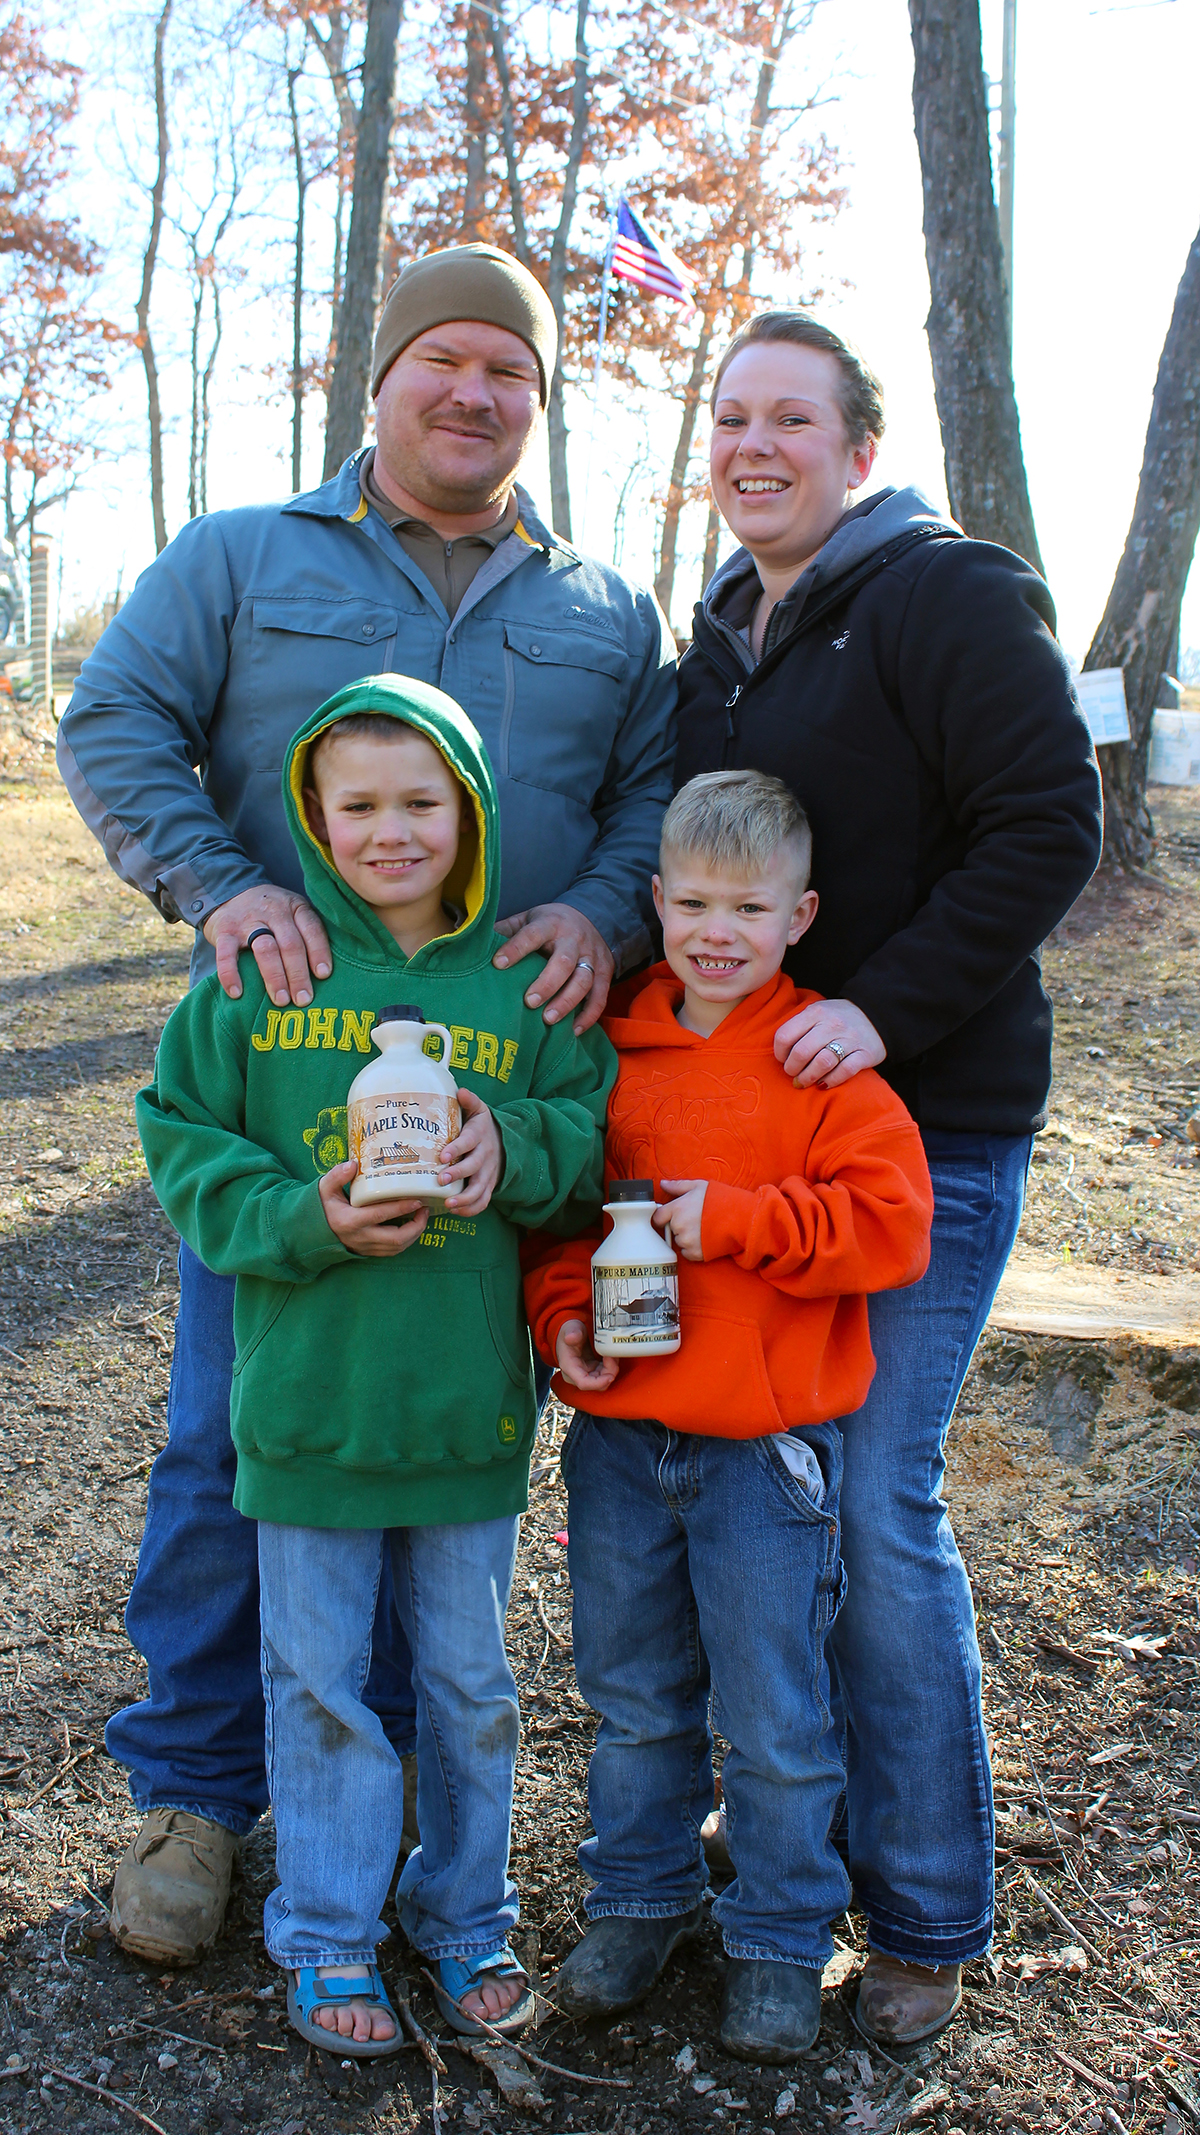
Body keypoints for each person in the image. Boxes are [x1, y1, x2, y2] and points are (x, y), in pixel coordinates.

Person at [56, 242, 675, 1966]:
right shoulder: (246, 557)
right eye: (446, 361)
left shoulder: (603, 609)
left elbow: (652, 796)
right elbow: (114, 721)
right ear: (384, 378)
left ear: (538, 402)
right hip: (285, 1090)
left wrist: (603, 910)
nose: (475, 394)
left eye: (512, 373)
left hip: (493, 1090)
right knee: (224, 1440)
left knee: (433, 1456)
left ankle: (386, 1812)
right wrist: (215, 885)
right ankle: (191, 1795)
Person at [675, 312, 1103, 2047]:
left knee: (874, 1490)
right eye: (732, 419)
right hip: (766, 1143)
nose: (755, 445)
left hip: (930, 1129)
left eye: (793, 418)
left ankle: (926, 1909)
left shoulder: (939, 591)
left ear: (860, 448)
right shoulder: (725, 633)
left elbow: (1049, 820)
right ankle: (794, 1828)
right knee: (772, 1495)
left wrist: (880, 1008)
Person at [137, 673, 615, 2052]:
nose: (390, 832)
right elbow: (183, 1142)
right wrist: (307, 1216)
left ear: (469, 813)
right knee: (318, 1680)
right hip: (306, 1410)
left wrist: (508, 1148)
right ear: (311, 815)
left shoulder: (523, 990)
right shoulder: (260, 981)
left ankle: (466, 1917)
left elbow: (588, 1142)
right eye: (358, 806)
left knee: (470, 1685)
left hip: (464, 1413)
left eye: (422, 802)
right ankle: (330, 1936)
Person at [522, 770, 933, 2061]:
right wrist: (559, 1325)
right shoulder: (608, 1060)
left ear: (798, 914)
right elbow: (556, 1223)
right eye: (693, 899)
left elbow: (895, 1227)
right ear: (655, 900)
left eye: (747, 906)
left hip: (766, 1456)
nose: (716, 928)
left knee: (772, 1709)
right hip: (623, 1445)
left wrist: (743, 1222)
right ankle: (639, 1898)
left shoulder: (823, 1064)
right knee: (634, 1693)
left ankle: (777, 1934)